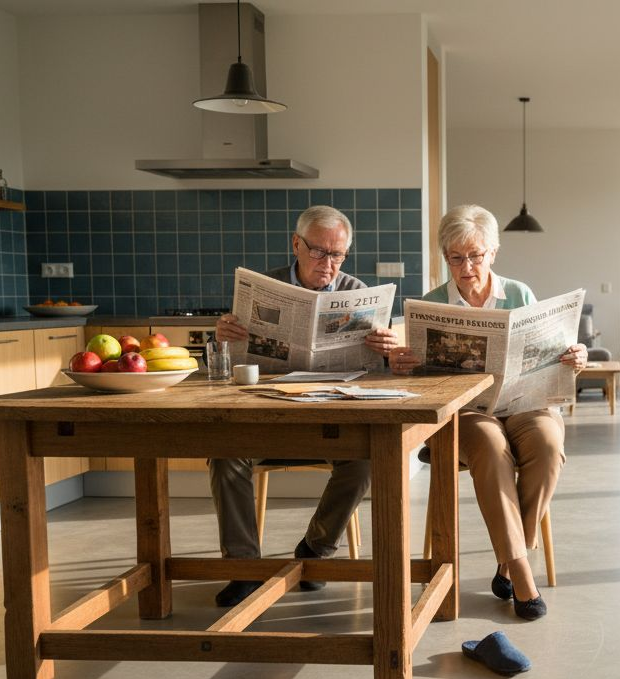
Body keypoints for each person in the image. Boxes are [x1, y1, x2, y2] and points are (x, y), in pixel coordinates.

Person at [389, 204, 587, 620]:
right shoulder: (430, 305)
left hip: (524, 403)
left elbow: (550, 353)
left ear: (493, 252)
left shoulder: (520, 294)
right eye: (455, 258)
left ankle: (507, 561)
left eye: (475, 256)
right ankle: (520, 571)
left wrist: (575, 356)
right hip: (467, 412)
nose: (466, 267)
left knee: (548, 443)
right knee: (491, 445)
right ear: (445, 257)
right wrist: (404, 365)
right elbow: (418, 379)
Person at [209, 205, 400, 607]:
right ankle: (244, 567)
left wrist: (386, 350)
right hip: (268, 417)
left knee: (366, 460)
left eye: (338, 255)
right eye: (318, 252)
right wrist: (222, 338)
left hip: (331, 420)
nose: (328, 264)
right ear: (296, 244)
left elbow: (378, 373)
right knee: (224, 453)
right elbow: (227, 361)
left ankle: (315, 550)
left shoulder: (356, 292)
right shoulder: (264, 288)